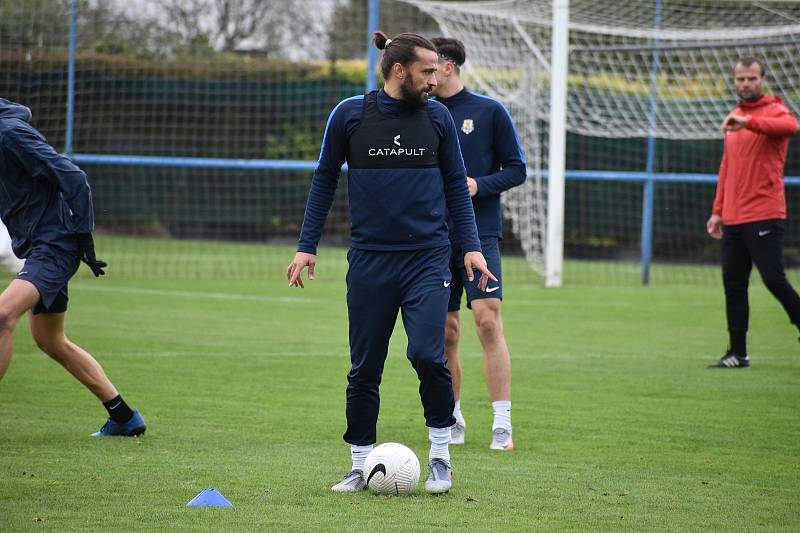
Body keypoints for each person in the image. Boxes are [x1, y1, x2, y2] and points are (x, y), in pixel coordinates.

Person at [286, 32, 495, 494]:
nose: (435, 79)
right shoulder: (350, 115)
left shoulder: (438, 118)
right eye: (426, 72)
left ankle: (441, 456)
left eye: (438, 71)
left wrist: (472, 246)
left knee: (427, 354)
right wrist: (307, 245)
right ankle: (360, 464)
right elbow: (323, 179)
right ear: (399, 71)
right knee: (364, 367)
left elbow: (457, 188)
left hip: (426, 260)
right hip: (369, 263)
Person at [0, 98, 145, 436]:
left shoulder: (10, 133)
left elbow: (74, 177)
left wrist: (83, 238)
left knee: (4, 315)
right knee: (50, 340)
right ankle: (124, 417)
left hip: (55, 245)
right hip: (40, 247)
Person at [430, 37, 526, 450]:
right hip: (434, 237)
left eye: (431, 67)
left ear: (448, 67)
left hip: (480, 233)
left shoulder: (489, 111)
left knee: (487, 320)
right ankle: (452, 418)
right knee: (447, 332)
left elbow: (517, 169)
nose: (426, 76)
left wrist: (477, 185)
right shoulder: (422, 114)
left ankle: (502, 422)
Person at [706, 58, 800, 368]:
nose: (746, 84)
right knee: (733, 285)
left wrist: (749, 123)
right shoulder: (734, 117)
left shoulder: (774, 110)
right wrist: (718, 210)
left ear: (762, 79)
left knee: (773, 279)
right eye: (741, 79)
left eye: (752, 78)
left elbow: (791, 126)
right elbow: (727, 167)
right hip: (733, 217)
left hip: (764, 212)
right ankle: (738, 353)